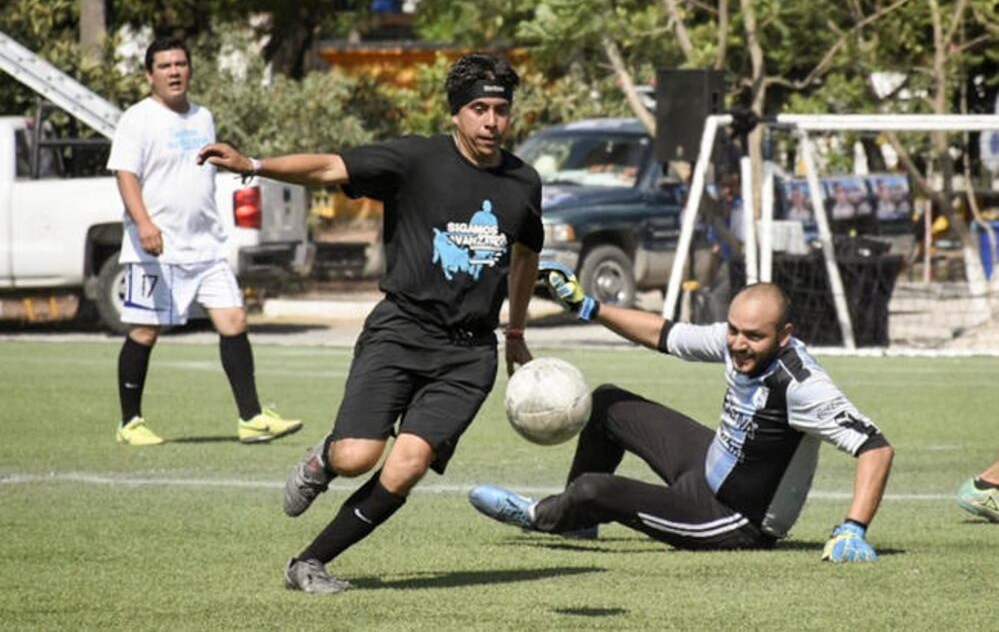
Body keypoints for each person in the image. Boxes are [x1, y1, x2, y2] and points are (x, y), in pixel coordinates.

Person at [197, 53, 543, 594]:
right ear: (456, 113)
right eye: (479, 109)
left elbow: (526, 255)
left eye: (500, 110)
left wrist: (515, 333)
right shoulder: (415, 159)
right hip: (401, 330)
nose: (491, 122)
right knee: (357, 457)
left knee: (407, 467)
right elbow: (329, 167)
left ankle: (309, 562)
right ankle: (325, 459)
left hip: (468, 354)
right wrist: (254, 165)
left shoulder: (523, 182)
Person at [470, 271, 895, 563]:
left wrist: (853, 529)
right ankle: (576, 523)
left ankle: (540, 515)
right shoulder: (734, 341)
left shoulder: (801, 385)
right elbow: (664, 334)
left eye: (754, 336)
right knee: (607, 403)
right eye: (734, 330)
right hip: (707, 466)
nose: (738, 344)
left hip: (731, 520)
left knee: (593, 489)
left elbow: (875, 448)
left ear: (784, 336)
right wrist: (588, 306)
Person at [108, 38, 302, 447]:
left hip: (206, 246)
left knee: (235, 321)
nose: (174, 71)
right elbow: (125, 175)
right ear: (149, 75)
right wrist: (144, 224)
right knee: (145, 330)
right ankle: (130, 422)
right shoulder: (137, 119)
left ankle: (251, 419)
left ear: (190, 70)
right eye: (165, 66)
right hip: (156, 248)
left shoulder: (203, 117)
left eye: (180, 64)